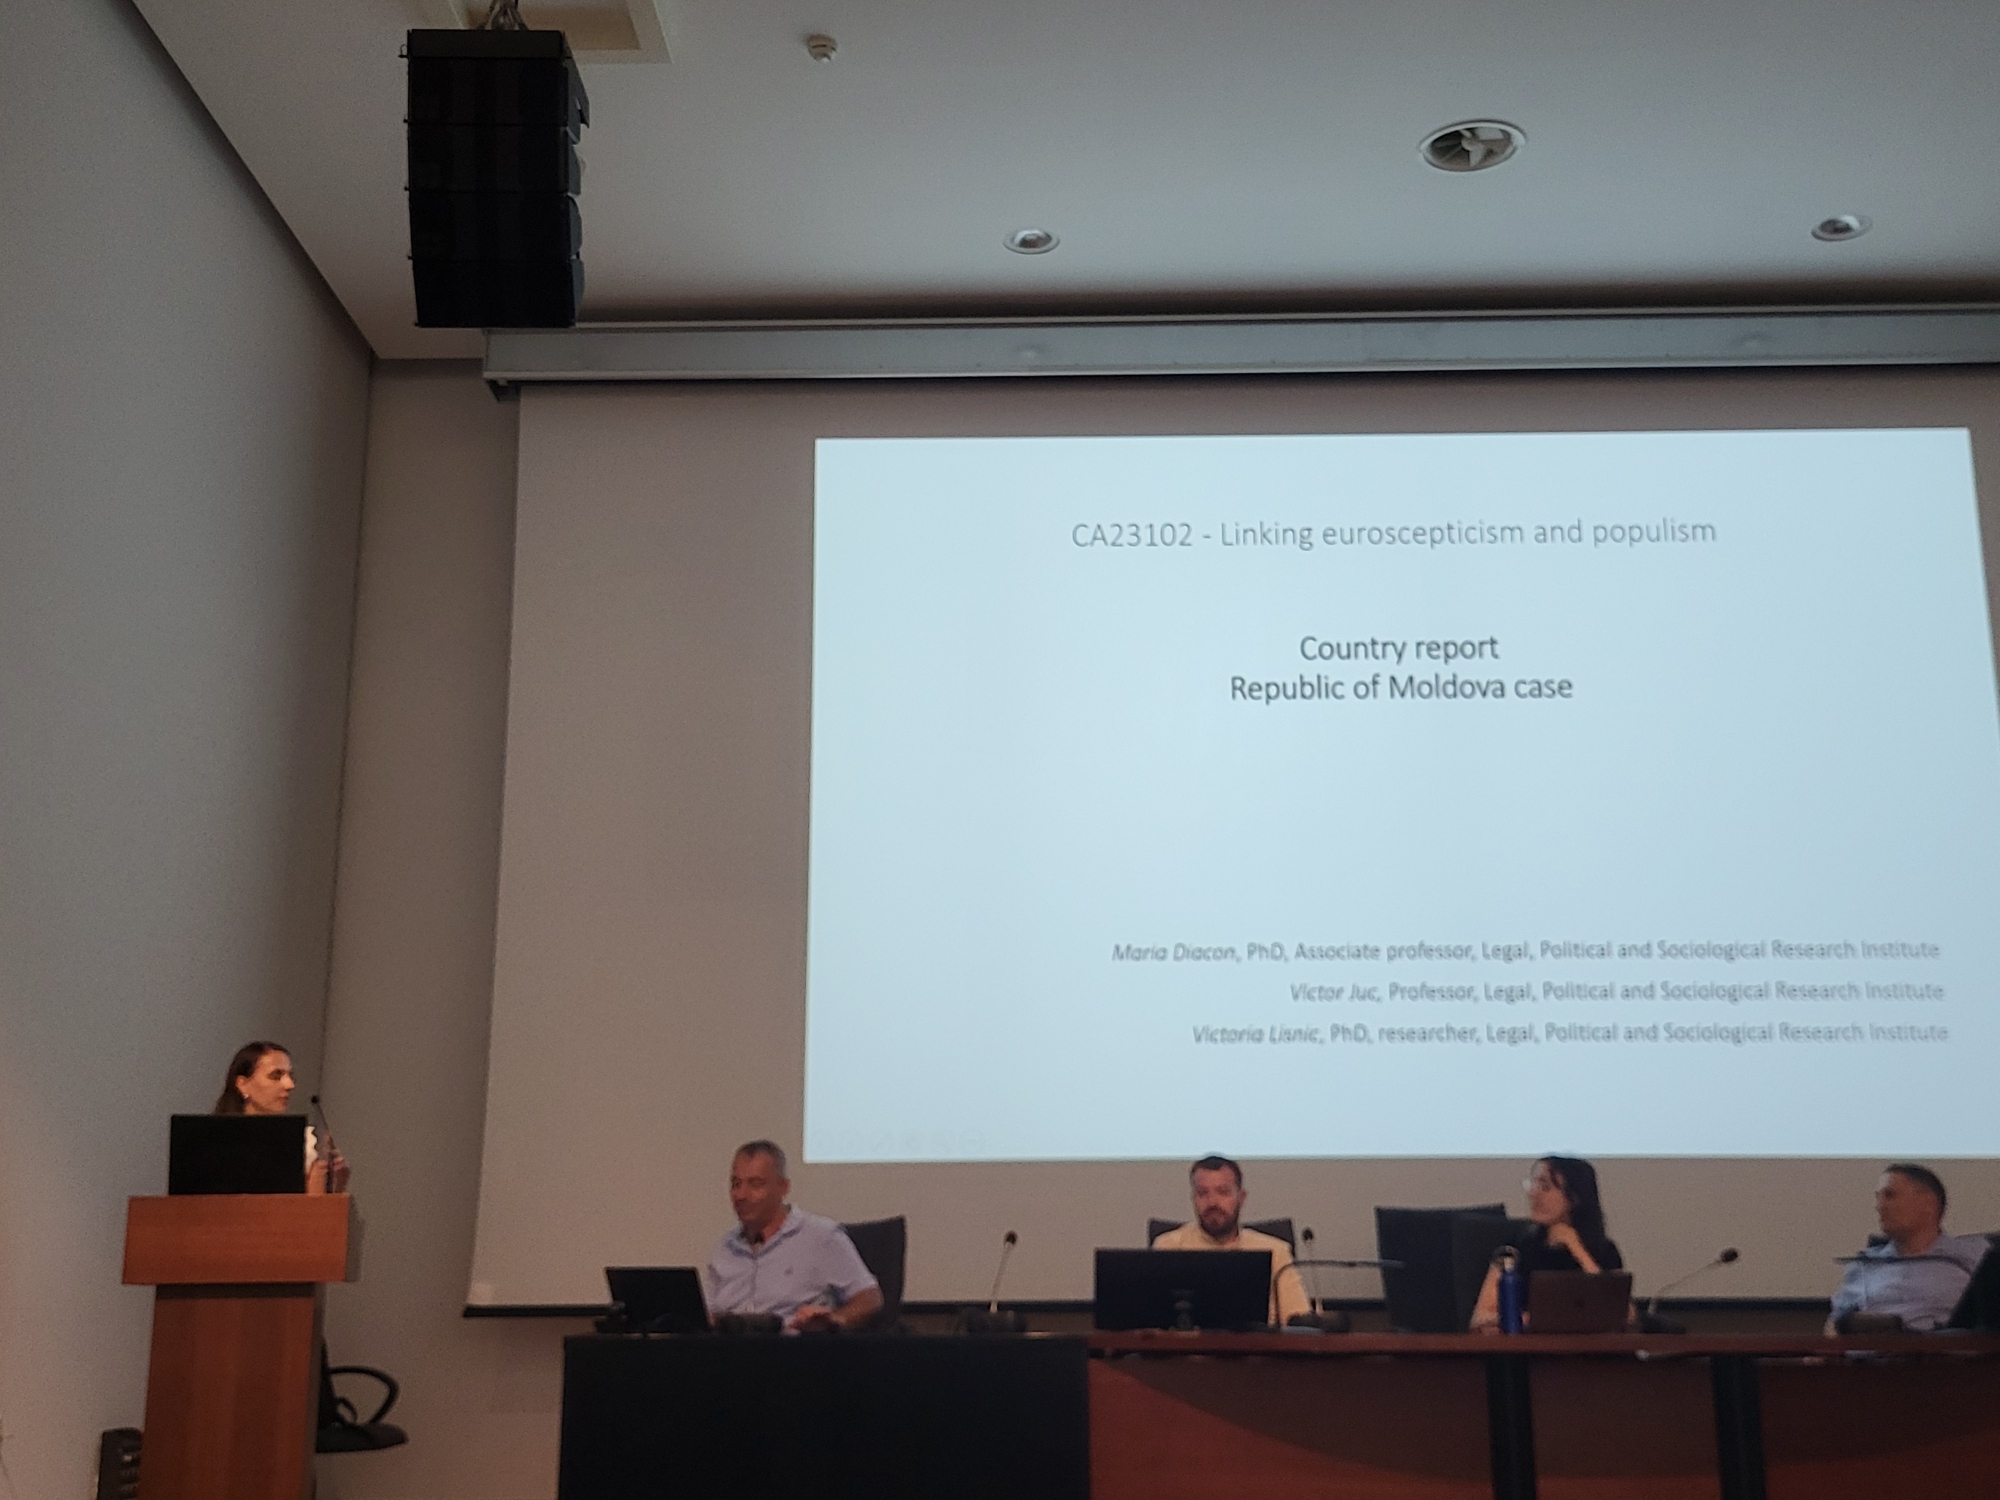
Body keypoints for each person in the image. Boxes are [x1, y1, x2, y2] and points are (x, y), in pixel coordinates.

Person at [705, 1140, 883, 1331]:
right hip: (730, 1345)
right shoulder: (726, 1247)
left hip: (792, 1345)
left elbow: (870, 1298)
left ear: (783, 1187)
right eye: (736, 1184)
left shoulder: (822, 1236)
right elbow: (710, 1312)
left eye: (755, 1185)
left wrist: (833, 1320)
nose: (741, 1195)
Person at [1826, 1164, 1989, 1334]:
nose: (1880, 1206)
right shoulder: (1864, 1265)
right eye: (1878, 1197)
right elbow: (1835, 1327)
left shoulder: (1974, 1256)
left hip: (1947, 1348)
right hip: (1876, 1349)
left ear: (1928, 1203)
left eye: (1890, 1195)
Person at [1149, 1155, 1310, 1325]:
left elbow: (1298, 1320)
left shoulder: (1276, 1251)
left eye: (1223, 1192)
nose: (1212, 1202)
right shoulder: (1169, 1246)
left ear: (1241, 1197)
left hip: (1257, 1342)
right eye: (1202, 1193)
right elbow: (1153, 1322)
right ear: (1193, 1198)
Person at [1472, 1155, 1624, 1331]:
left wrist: (1578, 1251)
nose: (1534, 1194)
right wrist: (1529, 1319)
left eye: (1545, 1187)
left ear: (1574, 1198)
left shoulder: (1604, 1250)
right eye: (1533, 1184)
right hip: (1528, 1344)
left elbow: (1625, 1314)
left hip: (1587, 1345)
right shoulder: (1515, 1248)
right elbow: (1480, 1317)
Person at [213, 1040, 349, 1193]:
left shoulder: (308, 1145)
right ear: (243, 1084)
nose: (289, 1085)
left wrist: (335, 1188)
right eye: (275, 1076)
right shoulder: (215, 1145)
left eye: (290, 1076)